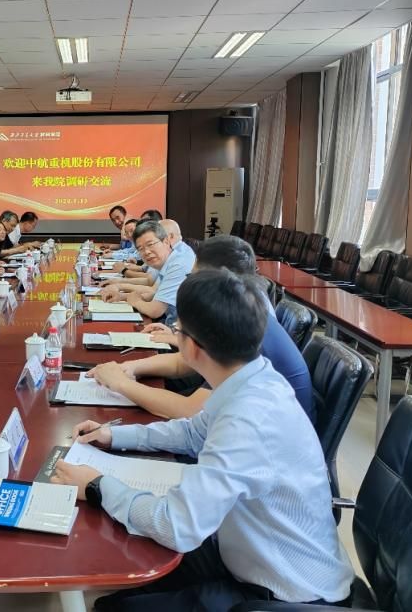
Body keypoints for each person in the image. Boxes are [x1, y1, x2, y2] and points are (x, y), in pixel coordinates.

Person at [52, 269, 354, 611]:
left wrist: (97, 486)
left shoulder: (248, 418)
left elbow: (177, 526)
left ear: (192, 347)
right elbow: (193, 432)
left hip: (283, 590)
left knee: (114, 606)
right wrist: (114, 436)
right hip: (243, 545)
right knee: (122, 589)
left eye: (177, 330)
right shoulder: (254, 377)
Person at [90, 235, 315, 422]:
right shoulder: (241, 302)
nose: (190, 284)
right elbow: (185, 363)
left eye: (194, 276)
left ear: (220, 278)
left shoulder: (242, 322)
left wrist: (121, 384)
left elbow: (190, 411)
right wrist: (130, 367)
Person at [101, 220, 195, 322]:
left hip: (178, 328)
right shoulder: (171, 257)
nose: (146, 252)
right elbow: (155, 292)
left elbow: (155, 310)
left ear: (166, 241)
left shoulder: (179, 262)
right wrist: (122, 296)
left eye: (150, 244)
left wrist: (136, 301)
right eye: (140, 248)